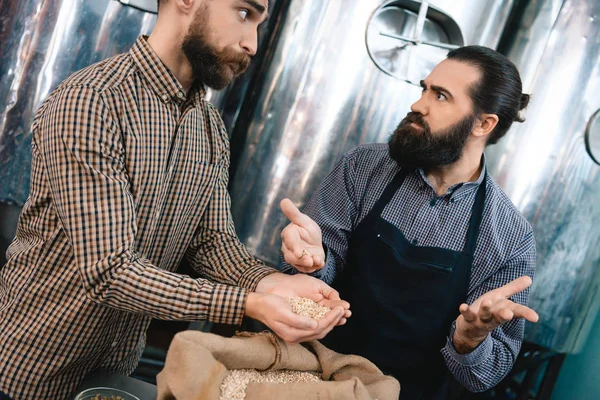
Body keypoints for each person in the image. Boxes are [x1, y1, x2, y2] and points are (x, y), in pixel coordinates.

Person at [0, 1, 350, 398]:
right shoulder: (93, 101)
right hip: (29, 373)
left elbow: (211, 242)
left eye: (260, 23)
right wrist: (249, 304)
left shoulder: (210, 127)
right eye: (243, 13)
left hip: (111, 372)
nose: (252, 43)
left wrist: (272, 284)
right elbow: (110, 271)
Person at [280, 46, 539, 399]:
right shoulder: (363, 167)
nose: (419, 104)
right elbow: (300, 287)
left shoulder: (510, 237)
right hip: (311, 375)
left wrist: (469, 339)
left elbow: (487, 375)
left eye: (441, 96)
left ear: (484, 124)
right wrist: (312, 264)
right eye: (424, 88)